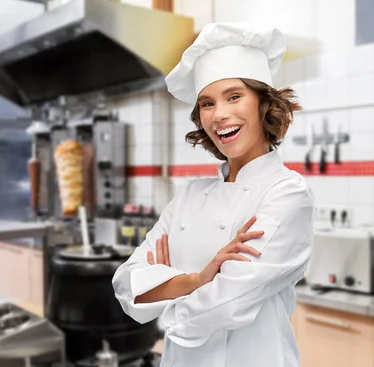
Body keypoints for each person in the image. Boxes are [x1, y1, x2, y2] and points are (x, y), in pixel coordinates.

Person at [112, 23, 314, 366]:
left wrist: (167, 293)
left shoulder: (287, 193)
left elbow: (229, 301)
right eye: (207, 103)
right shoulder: (192, 194)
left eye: (234, 96)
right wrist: (199, 278)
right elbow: (127, 284)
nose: (219, 114)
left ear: (264, 103)